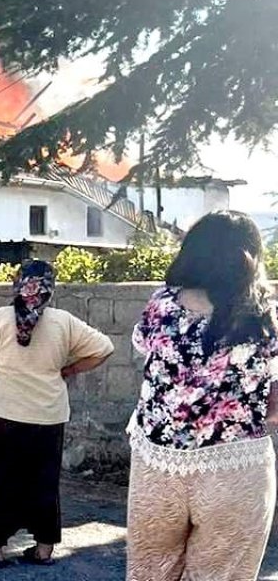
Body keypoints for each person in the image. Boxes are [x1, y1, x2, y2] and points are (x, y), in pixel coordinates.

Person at [127, 211, 278, 581]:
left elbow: (144, 352)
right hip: (237, 466)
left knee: (149, 573)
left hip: (158, 464)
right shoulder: (264, 317)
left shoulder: (161, 305)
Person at [0, 259, 114, 569]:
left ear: (18, 284)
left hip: (4, 414)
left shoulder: (2, 316)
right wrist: (71, 368)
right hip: (48, 416)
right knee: (43, 481)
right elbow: (104, 348)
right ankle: (43, 548)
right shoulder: (65, 322)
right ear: (50, 288)